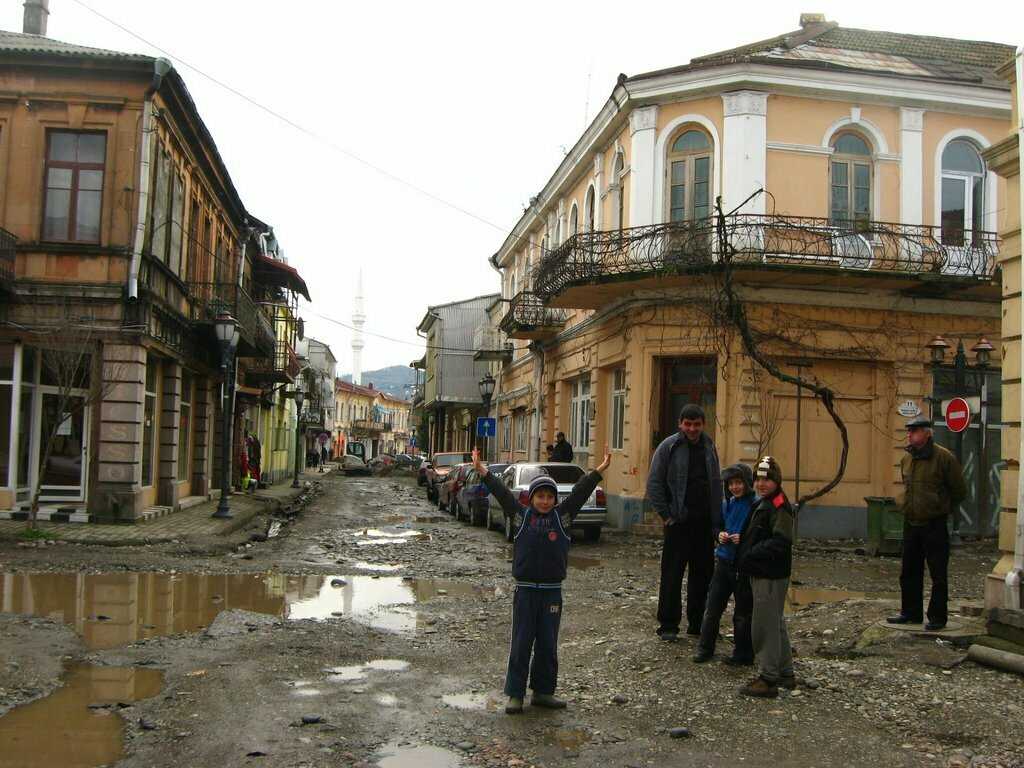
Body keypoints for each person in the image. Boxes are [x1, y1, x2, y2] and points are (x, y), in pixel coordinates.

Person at [473, 445, 611, 715]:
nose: (545, 501)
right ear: (531, 499)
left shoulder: (563, 518)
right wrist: (482, 471)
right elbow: (502, 493)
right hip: (525, 593)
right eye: (540, 496)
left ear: (555, 500)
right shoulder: (521, 516)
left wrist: (600, 470)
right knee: (521, 642)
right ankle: (515, 694)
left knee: (547, 644)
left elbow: (581, 492)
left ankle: (543, 692)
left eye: (550, 497)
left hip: (551, 594)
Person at [645, 403, 722, 641]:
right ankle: (668, 625)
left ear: (703, 424)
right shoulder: (668, 447)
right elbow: (654, 484)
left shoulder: (709, 446)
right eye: (687, 424)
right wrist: (667, 516)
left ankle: (698, 624)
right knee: (672, 574)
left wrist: (717, 521)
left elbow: (716, 483)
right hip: (678, 523)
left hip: (704, 524)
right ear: (680, 424)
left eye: (696, 424)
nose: (692, 429)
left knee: (703, 575)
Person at [887, 415, 967, 631]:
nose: (909, 434)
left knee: (938, 573)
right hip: (911, 522)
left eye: (914, 431)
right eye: (909, 431)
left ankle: (937, 617)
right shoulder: (907, 459)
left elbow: (959, 490)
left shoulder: (943, 458)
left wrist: (941, 508)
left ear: (926, 433)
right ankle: (910, 612)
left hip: (934, 524)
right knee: (909, 571)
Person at [736, 455, 796, 698]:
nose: (761, 484)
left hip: (769, 574)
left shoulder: (779, 505)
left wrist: (751, 554)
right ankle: (785, 673)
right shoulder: (764, 502)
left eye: (767, 479)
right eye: (758, 479)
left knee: (765, 626)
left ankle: (768, 678)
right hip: (764, 571)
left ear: (776, 481)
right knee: (776, 623)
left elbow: (781, 541)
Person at [693, 462, 755, 665]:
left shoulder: (755, 505)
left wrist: (743, 539)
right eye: (731, 484)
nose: (734, 487)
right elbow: (716, 525)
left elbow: (760, 534)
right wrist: (719, 534)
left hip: (743, 566)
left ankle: (743, 654)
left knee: (742, 614)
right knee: (712, 608)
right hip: (723, 560)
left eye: (738, 483)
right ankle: (705, 648)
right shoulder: (727, 504)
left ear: (747, 483)